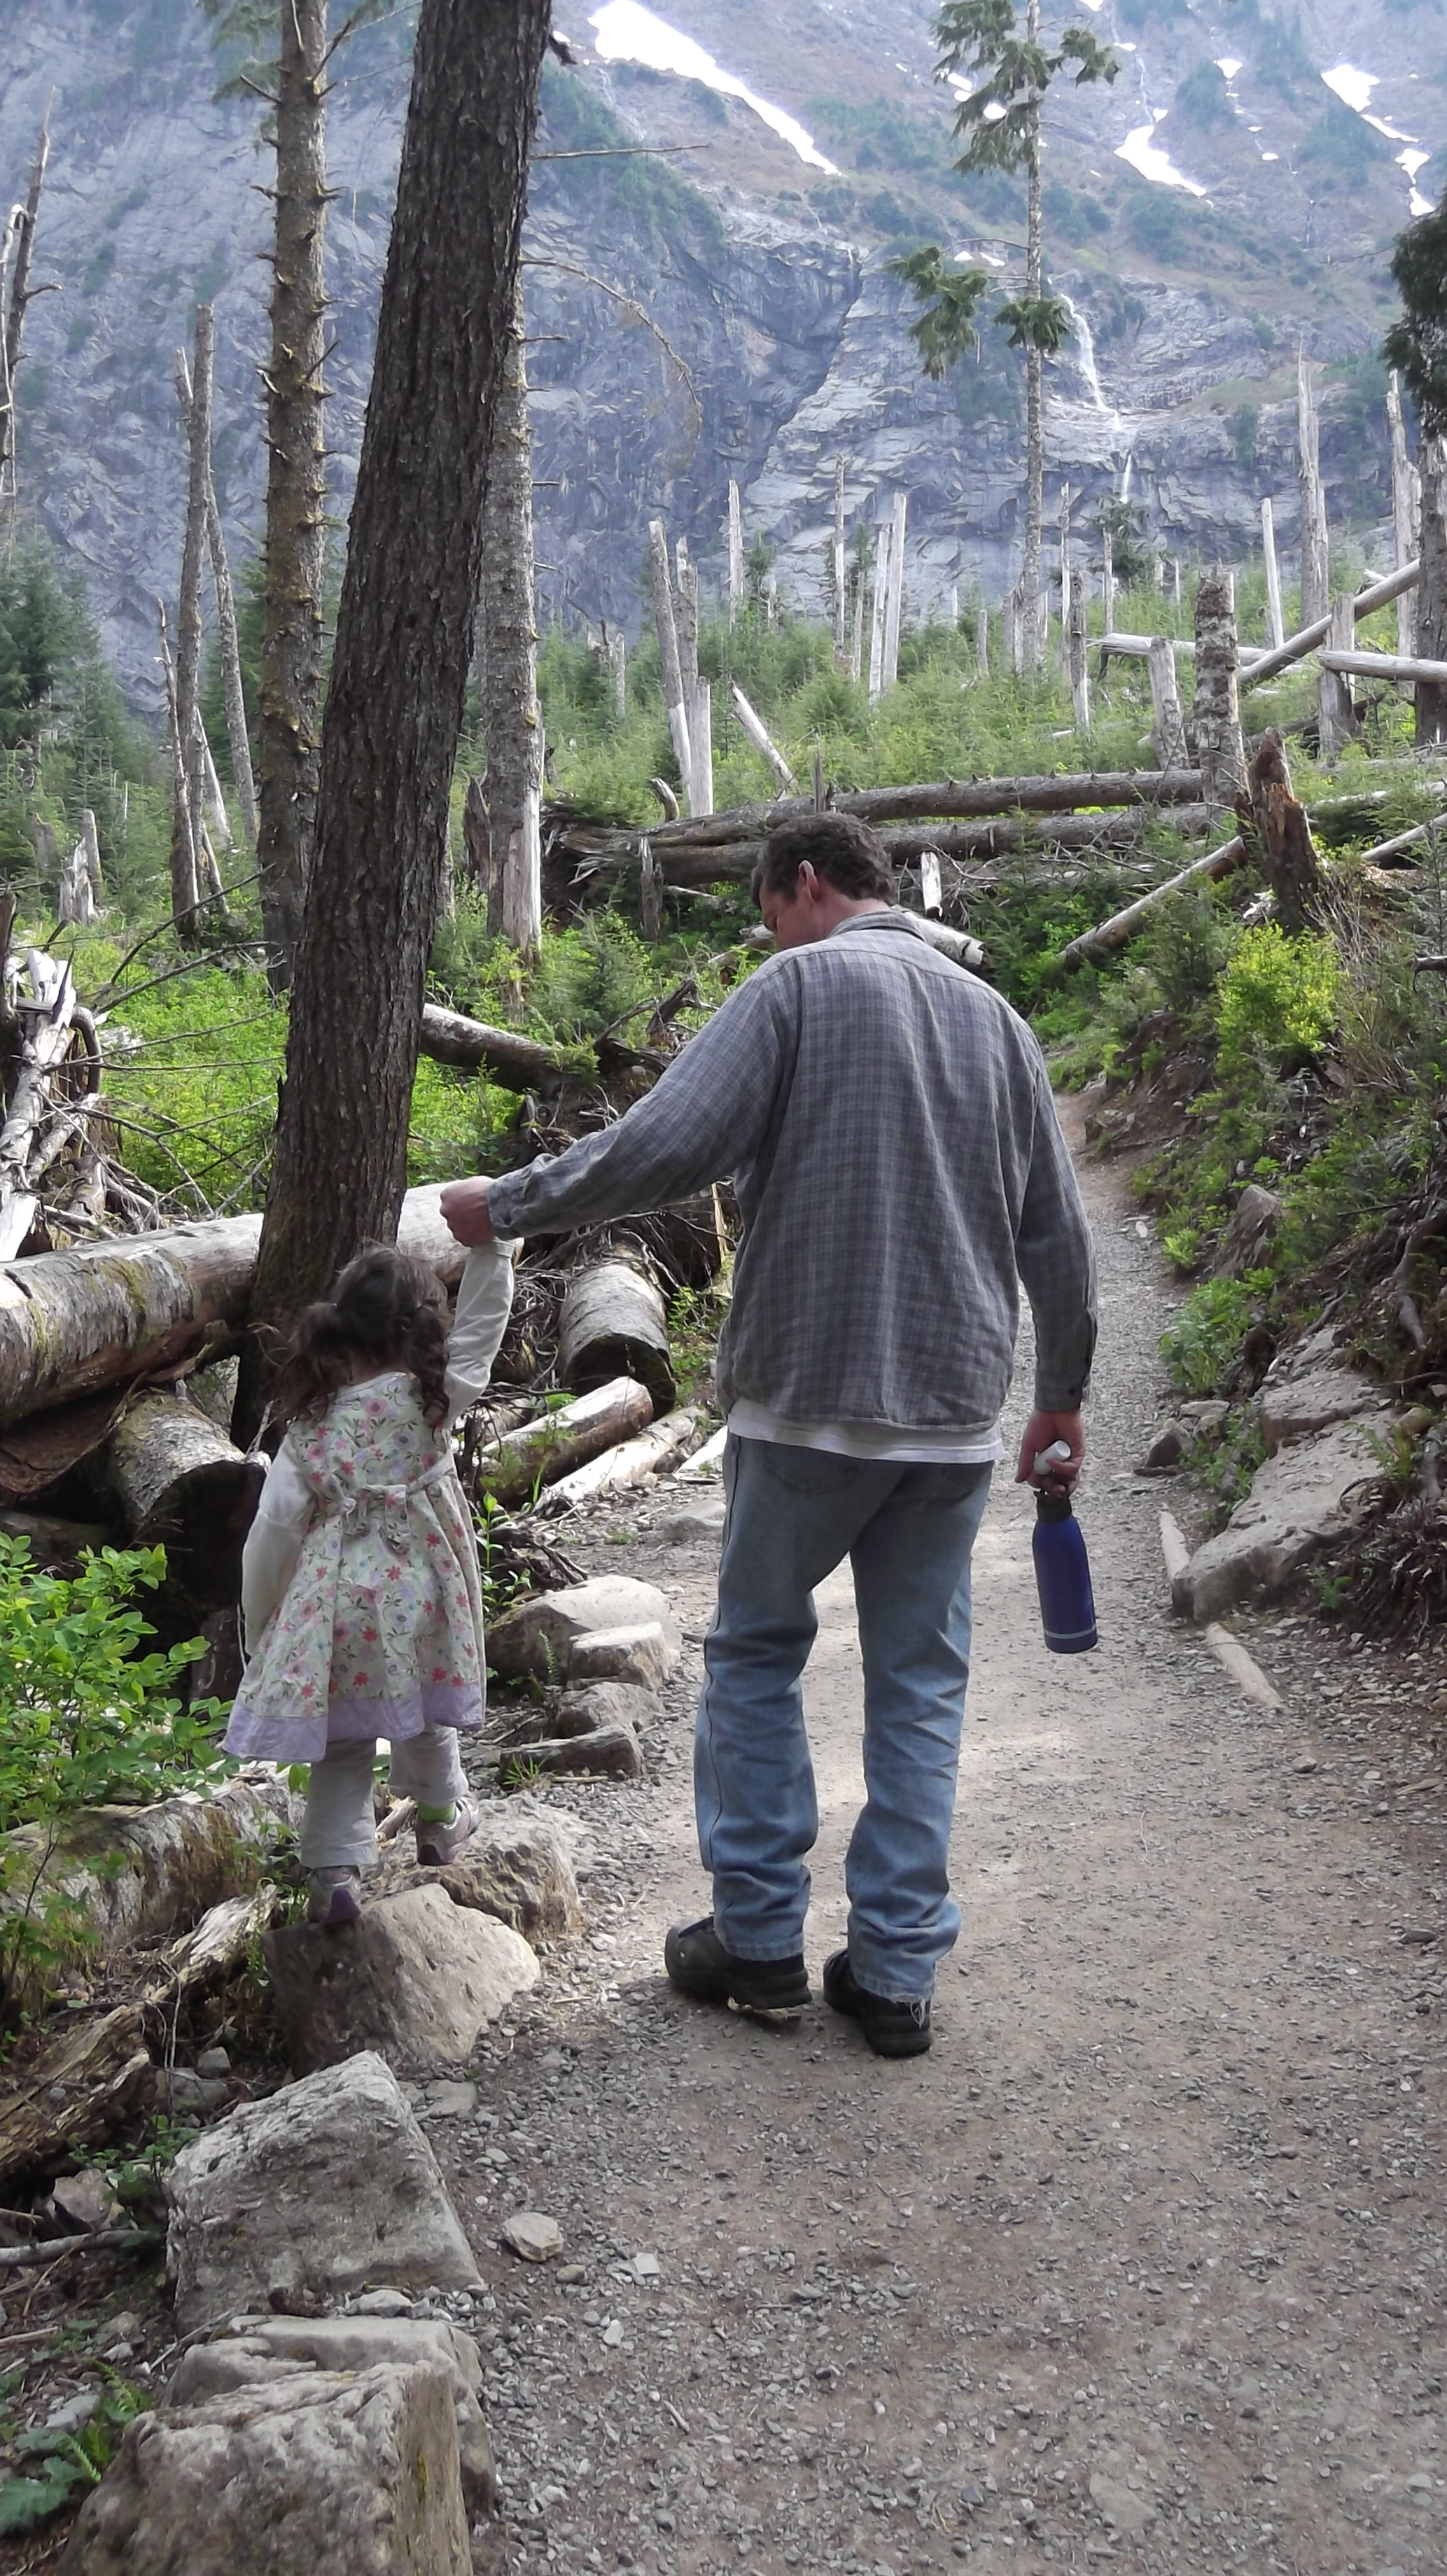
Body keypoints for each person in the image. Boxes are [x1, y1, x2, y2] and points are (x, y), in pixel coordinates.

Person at [441, 812, 1095, 2057]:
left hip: (803, 1396)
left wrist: (505, 1202)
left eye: (764, 908)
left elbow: (660, 1146)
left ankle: (756, 1940)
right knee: (918, 1680)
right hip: (952, 1413)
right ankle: (894, 1971)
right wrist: (1058, 1393)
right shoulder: (996, 1020)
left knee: (752, 1655)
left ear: (801, 884)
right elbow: (1054, 1234)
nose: (765, 931)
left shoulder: (793, 984)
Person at [225, 1235, 516, 1926]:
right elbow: (482, 1330)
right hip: (425, 1593)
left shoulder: (311, 1426)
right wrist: (494, 1249)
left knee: (343, 1741)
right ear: (421, 1327)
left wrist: (263, 1620)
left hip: (337, 1607)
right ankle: (442, 1822)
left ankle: (335, 1872)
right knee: (424, 1709)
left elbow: (273, 1529)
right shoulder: (432, 1399)